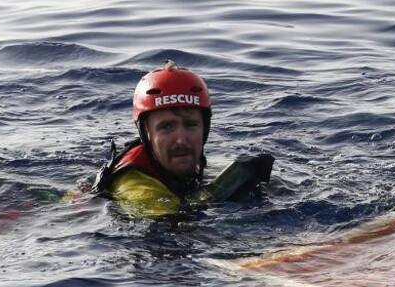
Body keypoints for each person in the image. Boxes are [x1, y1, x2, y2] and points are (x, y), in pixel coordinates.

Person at [93, 61, 273, 217]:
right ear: (146, 133)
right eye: (166, 127)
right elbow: (174, 233)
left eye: (190, 125)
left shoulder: (187, 165)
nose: (181, 140)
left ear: (205, 128)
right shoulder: (137, 189)